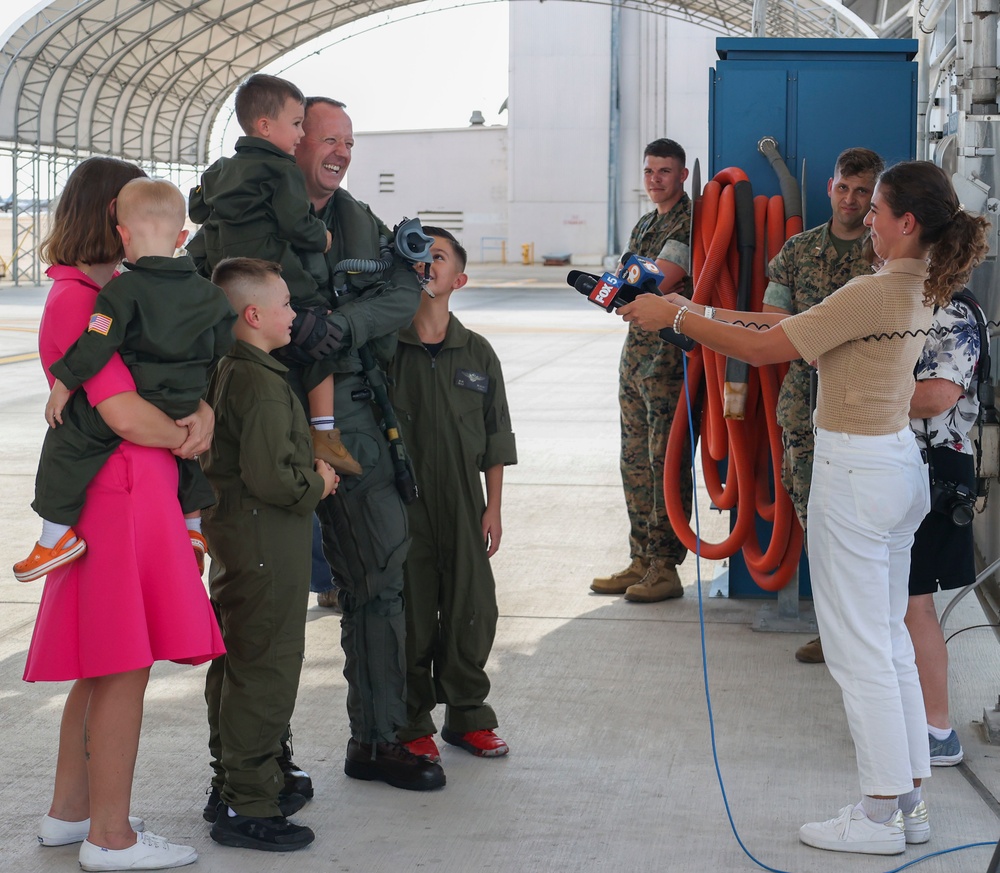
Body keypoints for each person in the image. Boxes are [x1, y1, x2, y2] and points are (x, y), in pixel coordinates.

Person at [618, 161, 990, 855]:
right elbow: (787, 324)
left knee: (860, 652)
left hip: (856, 474)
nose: (867, 219)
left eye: (877, 209)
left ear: (907, 222)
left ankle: (879, 813)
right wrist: (692, 313)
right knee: (888, 642)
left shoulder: (874, 290)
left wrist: (673, 315)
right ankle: (908, 803)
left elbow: (765, 348)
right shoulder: (921, 286)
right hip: (894, 470)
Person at [25, 156, 226, 871]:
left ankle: (72, 812)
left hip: (120, 493)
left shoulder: (100, 291)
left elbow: (166, 377)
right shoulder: (85, 299)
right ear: (114, 216)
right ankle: (110, 837)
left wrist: (196, 407)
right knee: (121, 665)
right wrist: (187, 434)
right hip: (124, 494)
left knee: (99, 664)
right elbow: (121, 410)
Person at [291, 96, 445, 790]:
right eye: (329, 139)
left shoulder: (358, 219)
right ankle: (250, 768)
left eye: (348, 142)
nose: (341, 152)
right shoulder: (251, 212)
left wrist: (341, 327)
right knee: (258, 595)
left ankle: (378, 740)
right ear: (295, 139)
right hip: (267, 408)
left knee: (380, 575)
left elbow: (404, 290)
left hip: (351, 410)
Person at [14, 177, 235, 584]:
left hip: (142, 403)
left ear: (122, 233)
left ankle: (54, 534)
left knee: (66, 434)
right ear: (182, 236)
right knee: (187, 455)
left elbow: (96, 342)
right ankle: (193, 526)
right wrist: (196, 396)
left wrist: (64, 383)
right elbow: (223, 345)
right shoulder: (211, 295)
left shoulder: (120, 292)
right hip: (184, 394)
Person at [199, 258, 339, 852]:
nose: (294, 313)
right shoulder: (257, 380)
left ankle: (238, 779)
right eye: (284, 303)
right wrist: (319, 482)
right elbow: (271, 478)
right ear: (253, 315)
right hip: (265, 544)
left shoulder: (239, 368)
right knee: (266, 669)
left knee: (238, 663)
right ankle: (247, 804)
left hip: (242, 538)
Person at [189, 73, 361, 478]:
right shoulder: (282, 170)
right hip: (271, 274)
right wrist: (322, 237)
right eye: (297, 124)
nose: (300, 135)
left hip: (228, 279)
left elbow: (198, 211)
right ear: (266, 127)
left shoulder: (220, 170)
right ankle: (324, 431)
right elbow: (295, 222)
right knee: (322, 333)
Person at [389, 228, 518, 762]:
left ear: (458, 279)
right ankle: (412, 720)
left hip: (466, 501)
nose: (427, 264)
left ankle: (467, 716)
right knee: (414, 613)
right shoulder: (387, 348)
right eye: (420, 255)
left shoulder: (478, 352)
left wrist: (493, 507)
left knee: (472, 609)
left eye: (438, 256)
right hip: (404, 501)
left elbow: (496, 435)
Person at [758, 147, 885, 665]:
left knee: (866, 524)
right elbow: (771, 320)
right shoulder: (796, 252)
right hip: (804, 406)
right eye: (844, 187)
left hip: (865, 410)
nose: (851, 199)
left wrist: (815, 335)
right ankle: (833, 632)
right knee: (816, 516)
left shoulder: (886, 257)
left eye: (863, 191)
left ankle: (869, 634)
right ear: (830, 187)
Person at [591, 137, 693, 603]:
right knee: (633, 461)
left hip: (667, 363)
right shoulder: (646, 222)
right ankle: (640, 559)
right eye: (650, 171)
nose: (656, 180)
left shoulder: (685, 222)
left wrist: (626, 286)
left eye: (665, 172)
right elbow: (624, 286)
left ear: (682, 176)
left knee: (662, 465)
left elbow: (656, 280)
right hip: (635, 359)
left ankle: (664, 566)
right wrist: (626, 286)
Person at [905, 293, 983, 767]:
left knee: (914, 602)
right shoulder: (902, 296)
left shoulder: (951, 311)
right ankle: (918, 720)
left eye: (880, 213)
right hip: (902, 464)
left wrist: (856, 386)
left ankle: (938, 731)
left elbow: (937, 396)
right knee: (901, 601)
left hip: (933, 468)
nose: (871, 223)